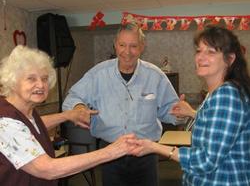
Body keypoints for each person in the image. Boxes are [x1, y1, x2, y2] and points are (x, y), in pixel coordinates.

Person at [129, 25, 250, 186]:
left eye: (211, 52)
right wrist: (193, 113)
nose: (200, 57)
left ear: (230, 59)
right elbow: (218, 128)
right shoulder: (217, 93)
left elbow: (206, 160)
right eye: (199, 51)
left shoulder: (226, 95)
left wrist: (156, 147)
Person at [0, 45, 136, 186]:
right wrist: (111, 151)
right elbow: (47, 169)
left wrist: (68, 115)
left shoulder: (24, 110)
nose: (40, 85)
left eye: (44, 78)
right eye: (31, 79)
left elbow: (31, 126)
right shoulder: (4, 120)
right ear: (13, 81)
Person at [62, 22, 179, 186]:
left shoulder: (155, 76)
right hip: (110, 153)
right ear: (115, 45)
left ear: (142, 47)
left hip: (146, 153)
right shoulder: (98, 74)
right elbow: (72, 97)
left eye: (133, 46)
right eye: (122, 45)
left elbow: (170, 110)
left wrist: (179, 112)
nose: (127, 52)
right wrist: (79, 107)